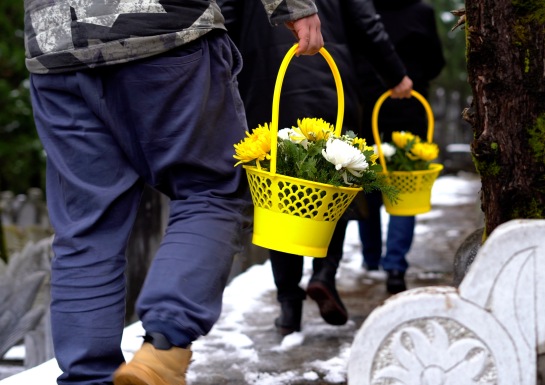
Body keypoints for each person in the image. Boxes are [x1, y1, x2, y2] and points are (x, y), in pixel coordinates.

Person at [22, 0, 323, 383]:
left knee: (86, 230)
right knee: (211, 191)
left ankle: (87, 377)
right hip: (161, 27)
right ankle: (163, 347)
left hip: (57, 42)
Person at [221, 0, 413, 336]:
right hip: (330, 78)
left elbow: (223, 19)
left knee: (277, 191)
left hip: (267, 81)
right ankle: (325, 274)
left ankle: (288, 303)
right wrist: (396, 75)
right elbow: (367, 22)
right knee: (332, 180)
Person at [356, 0, 446, 294]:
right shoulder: (421, 12)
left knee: (368, 183)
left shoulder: (363, 10)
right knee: (406, 188)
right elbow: (436, 62)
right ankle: (395, 266)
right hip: (410, 107)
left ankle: (371, 260)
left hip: (368, 108)